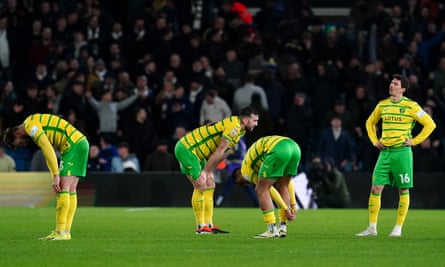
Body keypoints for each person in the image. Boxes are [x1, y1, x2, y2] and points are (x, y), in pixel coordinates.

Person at [356, 74, 436, 237]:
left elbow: (430, 124)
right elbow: (369, 122)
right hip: (385, 153)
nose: (391, 86)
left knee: (403, 189)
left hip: (402, 153)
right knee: (376, 188)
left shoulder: (411, 106)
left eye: (395, 84)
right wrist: (374, 140)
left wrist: (414, 141)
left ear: (403, 89)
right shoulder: (382, 105)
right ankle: (372, 228)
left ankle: (397, 228)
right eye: (391, 83)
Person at [2, 113, 90, 241]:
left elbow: (48, 149)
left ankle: (60, 232)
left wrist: (56, 176)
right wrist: (55, 173)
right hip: (78, 143)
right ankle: (65, 232)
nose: (23, 145)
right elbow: (47, 152)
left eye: (18, 143)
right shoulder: (31, 121)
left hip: (73, 145)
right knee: (71, 189)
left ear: (16, 134)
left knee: (63, 188)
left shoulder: (31, 127)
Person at [174, 106, 259, 234]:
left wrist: (209, 171)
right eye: (255, 120)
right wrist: (206, 171)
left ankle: (209, 224)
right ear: (246, 120)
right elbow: (219, 150)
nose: (256, 124)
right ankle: (200, 227)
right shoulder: (233, 128)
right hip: (187, 149)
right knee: (200, 185)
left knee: (210, 183)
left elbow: (223, 153)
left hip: (198, 154)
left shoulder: (240, 130)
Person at [234, 135, 300, 238]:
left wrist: (286, 209)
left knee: (261, 189)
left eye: (242, 182)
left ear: (238, 174)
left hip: (278, 148)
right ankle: (282, 227)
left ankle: (272, 229)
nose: (247, 182)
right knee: (283, 185)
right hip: (294, 146)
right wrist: (293, 205)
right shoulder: (257, 162)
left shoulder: (245, 170)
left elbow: (269, 189)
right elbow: (288, 184)